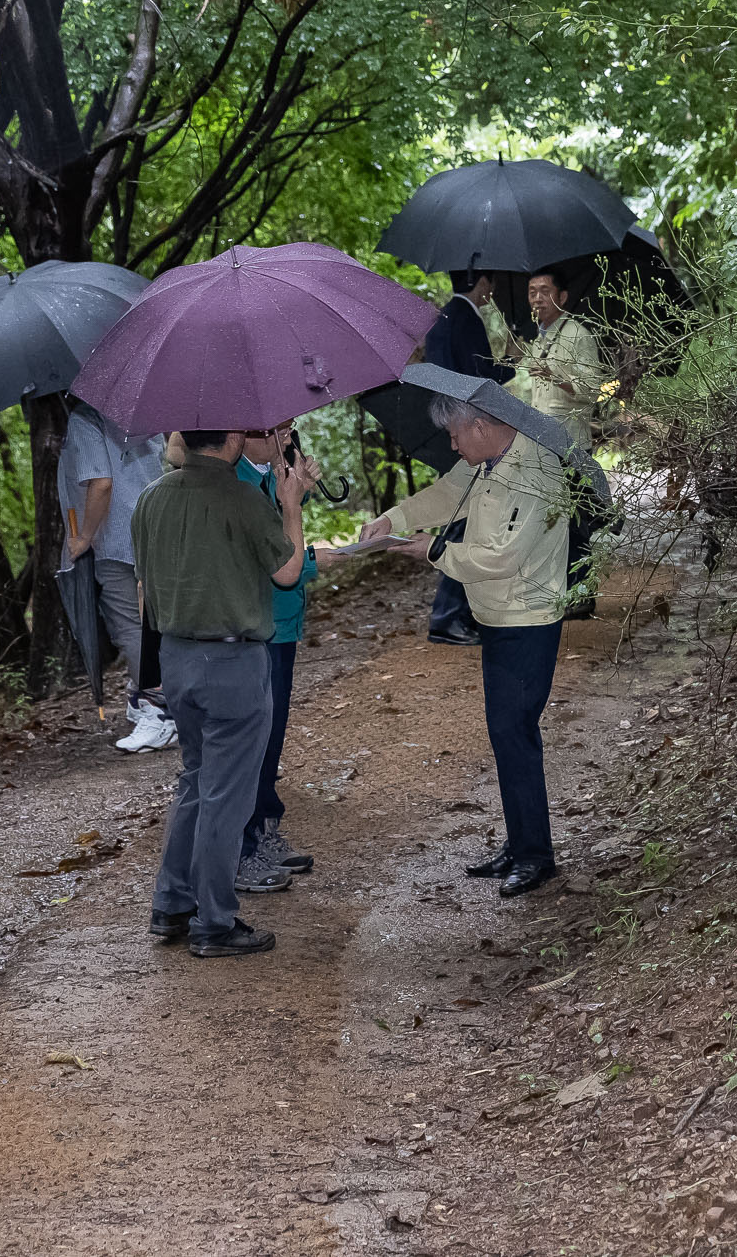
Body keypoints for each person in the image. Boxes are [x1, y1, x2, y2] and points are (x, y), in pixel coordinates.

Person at [360, 394, 569, 898]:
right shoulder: (486, 462)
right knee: (506, 735)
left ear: (480, 426)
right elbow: (445, 492)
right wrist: (393, 519)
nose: (451, 445)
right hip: (497, 617)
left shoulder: (533, 471)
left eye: (456, 436)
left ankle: (536, 856)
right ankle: (522, 843)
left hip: (527, 620)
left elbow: (501, 556)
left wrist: (430, 549)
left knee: (513, 732)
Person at [134, 427, 317, 958]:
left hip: (177, 656)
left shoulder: (150, 497)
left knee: (194, 780)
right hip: (232, 660)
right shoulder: (239, 497)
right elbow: (286, 573)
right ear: (233, 437)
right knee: (224, 796)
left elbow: (145, 583)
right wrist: (291, 504)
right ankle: (213, 921)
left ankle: (171, 903)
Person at [57, 400, 172, 751]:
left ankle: (161, 712)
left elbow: (102, 483)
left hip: (119, 541)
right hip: (161, 525)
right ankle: (156, 699)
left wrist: (83, 537)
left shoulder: (86, 417)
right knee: (159, 622)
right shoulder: (142, 404)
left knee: (130, 626)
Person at [234, 423, 320, 893]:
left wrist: (298, 495)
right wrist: (315, 560)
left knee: (273, 735)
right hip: (260, 624)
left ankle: (265, 829)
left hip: (281, 625)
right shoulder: (240, 484)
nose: (289, 439)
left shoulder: (268, 475)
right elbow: (281, 563)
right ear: (246, 434)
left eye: (291, 429)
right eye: (279, 430)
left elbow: (283, 535)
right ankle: (245, 847)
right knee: (256, 741)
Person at [418, 271, 515, 646]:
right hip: (465, 430)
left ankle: (459, 614)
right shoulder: (465, 319)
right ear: (481, 284)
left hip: (450, 427)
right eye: (490, 283)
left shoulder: (442, 319)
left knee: (465, 515)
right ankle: (446, 617)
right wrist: (510, 363)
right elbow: (481, 379)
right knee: (463, 518)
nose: (491, 290)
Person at [523, 270, 610, 615]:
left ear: (562, 296)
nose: (537, 298)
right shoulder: (538, 338)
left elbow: (594, 391)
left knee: (576, 522)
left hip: (570, 443)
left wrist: (558, 378)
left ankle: (582, 596)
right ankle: (562, 591)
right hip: (543, 442)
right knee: (552, 520)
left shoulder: (577, 334)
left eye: (545, 291)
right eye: (532, 292)